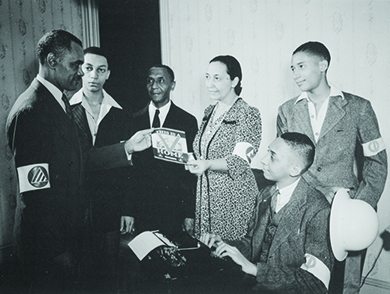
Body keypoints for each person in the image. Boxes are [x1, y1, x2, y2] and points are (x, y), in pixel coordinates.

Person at [5, 30, 152, 292]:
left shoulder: (57, 102)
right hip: (48, 246)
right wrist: (58, 250)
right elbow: (35, 196)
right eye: (76, 65)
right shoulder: (32, 110)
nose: (82, 73)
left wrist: (127, 147)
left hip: (67, 237)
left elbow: (80, 159)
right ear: (52, 61)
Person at [277, 41, 387, 293]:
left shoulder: (359, 108)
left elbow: (377, 162)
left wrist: (359, 206)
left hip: (347, 214)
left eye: (301, 66)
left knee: (345, 285)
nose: (295, 74)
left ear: (323, 65)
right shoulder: (286, 111)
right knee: (303, 281)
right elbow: (285, 165)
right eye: (293, 68)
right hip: (303, 211)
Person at [201, 132, 334, 294]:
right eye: (267, 152)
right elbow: (252, 243)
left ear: (295, 169)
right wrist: (224, 244)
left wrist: (255, 270)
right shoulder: (265, 195)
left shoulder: (318, 209)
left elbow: (315, 282)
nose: (263, 160)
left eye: (273, 156)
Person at [69, 46, 134, 291]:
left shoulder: (121, 114)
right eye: (88, 68)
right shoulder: (65, 110)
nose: (94, 76)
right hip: (75, 207)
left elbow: (129, 168)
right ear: (80, 71)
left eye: (100, 70)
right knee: (79, 274)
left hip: (110, 205)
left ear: (108, 74)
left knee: (108, 272)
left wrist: (127, 208)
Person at [187, 55, 262, 241]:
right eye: (207, 77)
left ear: (234, 81)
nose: (209, 84)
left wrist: (206, 164)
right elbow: (202, 152)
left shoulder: (248, 113)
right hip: (205, 198)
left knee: (229, 259)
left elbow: (240, 162)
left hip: (232, 200)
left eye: (217, 78)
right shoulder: (208, 112)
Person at [130, 64, 198, 237]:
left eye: (161, 81)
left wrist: (190, 213)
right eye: (150, 81)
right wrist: (127, 210)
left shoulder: (187, 121)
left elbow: (190, 171)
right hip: (141, 209)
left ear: (172, 85)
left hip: (174, 209)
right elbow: (128, 171)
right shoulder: (132, 120)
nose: (154, 86)